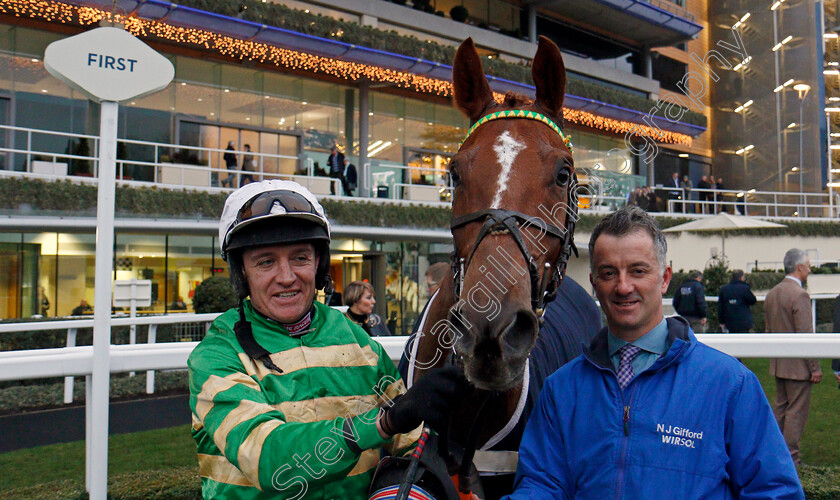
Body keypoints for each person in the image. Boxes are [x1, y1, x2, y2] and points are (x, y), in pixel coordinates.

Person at [188, 179, 468, 498]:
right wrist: (385, 422)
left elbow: (408, 442)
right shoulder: (216, 356)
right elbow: (269, 460)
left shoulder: (358, 340)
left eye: (300, 258)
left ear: (318, 262)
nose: (286, 276)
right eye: (266, 261)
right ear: (242, 272)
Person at [505, 206, 802, 499]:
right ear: (594, 284)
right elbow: (543, 486)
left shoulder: (730, 385)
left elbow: (775, 492)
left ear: (664, 278)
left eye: (638, 271)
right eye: (609, 273)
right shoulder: (562, 390)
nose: (623, 286)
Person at [766, 248, 822, 466]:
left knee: (780, 409)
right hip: (798, 367)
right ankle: (791, 459)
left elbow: (769, 331)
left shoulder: (772, 293)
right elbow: (806, 335)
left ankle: (773, 453)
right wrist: (815, 367)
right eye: (808, 266)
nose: (809, 270)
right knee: (796, 413)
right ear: (799, 267)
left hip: (779, 362)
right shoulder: (799, 295)